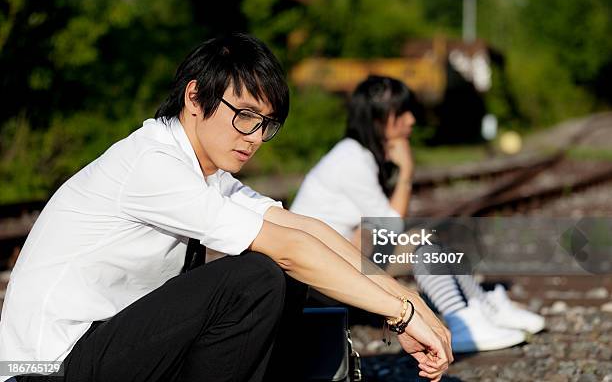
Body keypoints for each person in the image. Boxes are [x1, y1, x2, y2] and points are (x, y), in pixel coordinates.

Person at [0, 35, 452, 382]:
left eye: (266, 124)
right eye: (245, 116)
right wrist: (401, 315)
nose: (255, 136)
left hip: (103, 346)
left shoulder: (204, 172)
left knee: (282, 276)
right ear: (195, 98)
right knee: (257, 276)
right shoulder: (152, 164)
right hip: (48, 367)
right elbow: (289, 247)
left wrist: (407, 299)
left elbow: (303, 228)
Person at [291, 75, 545, 353]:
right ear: (377, 119)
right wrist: (406, 174)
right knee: (421, 242)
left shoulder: (357, 155)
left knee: (429, 235)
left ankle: (480, 305)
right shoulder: (351, 160)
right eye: (402, 113)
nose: (411, 120)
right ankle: (460, 322)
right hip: (315, 283)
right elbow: (391, 226)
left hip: (334, 265)